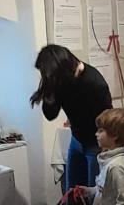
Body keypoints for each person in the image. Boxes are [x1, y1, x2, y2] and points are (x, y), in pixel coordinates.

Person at [30, 44, 112, 189]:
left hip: (96, 144)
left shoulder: (94, 83)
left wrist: (105, 148)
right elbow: (50, 115)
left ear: (60, 69)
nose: (46, 78)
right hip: (76, 140)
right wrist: (50, 91)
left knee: (94, 194)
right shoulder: (61, 80)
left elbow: (107, 121)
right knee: (72, 193)